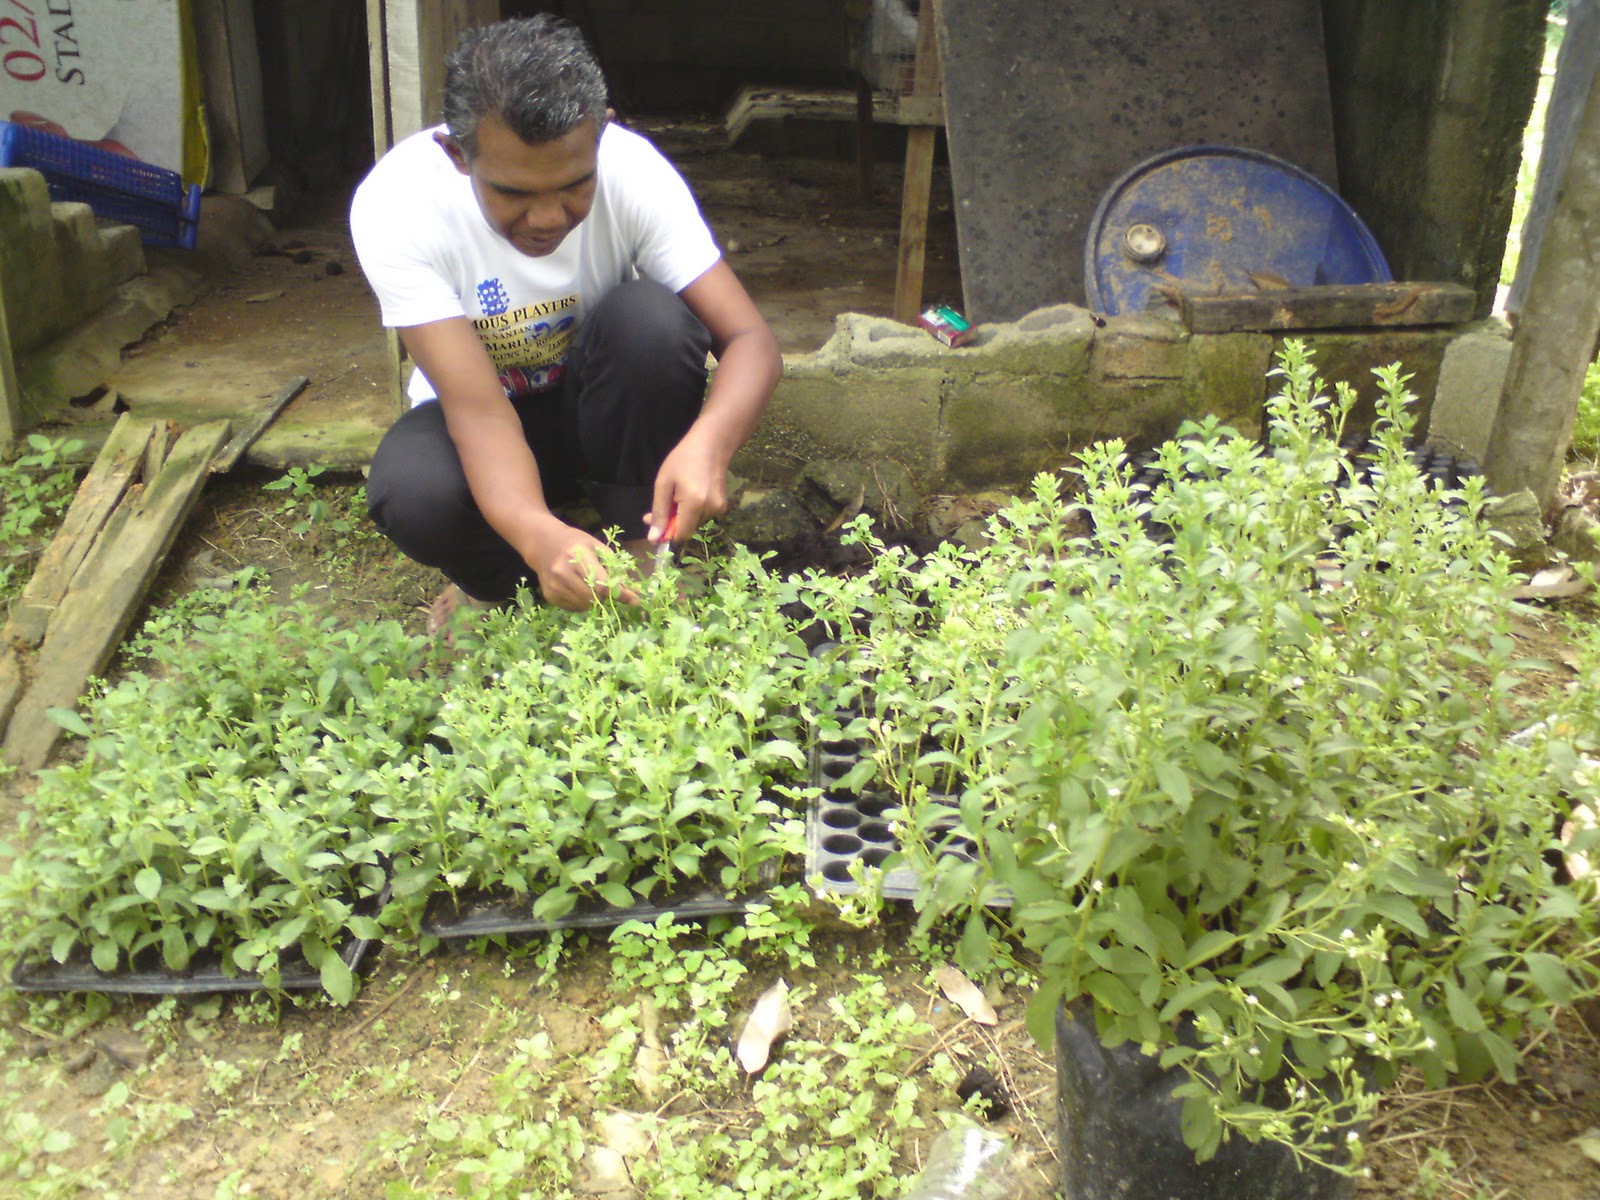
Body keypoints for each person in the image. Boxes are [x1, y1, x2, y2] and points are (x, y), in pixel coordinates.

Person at [350, 15, 781, 622]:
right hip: (481, 428)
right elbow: (478, 411)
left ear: (603, 135)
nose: (548, 217)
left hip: (600, 411)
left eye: (574, 186)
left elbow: (750, 340)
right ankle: (503, 587)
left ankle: (643, 553)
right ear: (456, 154)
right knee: (414, 492)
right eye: (514, 194)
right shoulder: (397, 204)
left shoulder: (634, 172)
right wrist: (532, 529)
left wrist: (711, 445)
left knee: (652, 322)